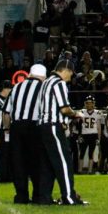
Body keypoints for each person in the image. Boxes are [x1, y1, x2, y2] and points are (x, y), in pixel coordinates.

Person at [37, 56, 86, 205]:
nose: (71, 76)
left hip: (42, 127)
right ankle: (69, 197)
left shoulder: (46, 82)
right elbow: (64, 109)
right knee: (64, 162)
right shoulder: (59, 83)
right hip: (52, 126)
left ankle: (43, 197)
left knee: (47, 164)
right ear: (65, 70)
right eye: (71, 72)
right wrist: (77, 114)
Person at [6, 63, 47, 205]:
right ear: (43, 77)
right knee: (36, 162)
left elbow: (6, 112)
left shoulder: (17, 86)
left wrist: (7, 130)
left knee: (18, 162)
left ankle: (21, 196)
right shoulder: (43, 87)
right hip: (34, 127)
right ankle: (37, 195)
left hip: (16, 127)